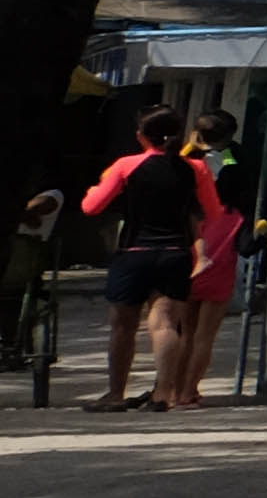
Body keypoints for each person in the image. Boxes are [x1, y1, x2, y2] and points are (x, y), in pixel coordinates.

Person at [77, 109, 202, 412]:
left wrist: (95, 189)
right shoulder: (194, 168)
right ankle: (162, 394)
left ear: (141, 136)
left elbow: (92, 207)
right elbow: (209, 209)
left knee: (123, 326)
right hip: (175, 253)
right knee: (165, 323)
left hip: (134, 253)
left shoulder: (127, 165)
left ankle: (116, 394)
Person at [164, 109, 253, 409]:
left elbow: (178, 169)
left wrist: (193, 145)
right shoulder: (231, 162)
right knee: (205, 335)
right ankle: (189, 391)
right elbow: (233, 169)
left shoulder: (186, 163)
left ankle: (174, 390)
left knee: (185, 331)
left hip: (189, 249)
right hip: (220, 250)